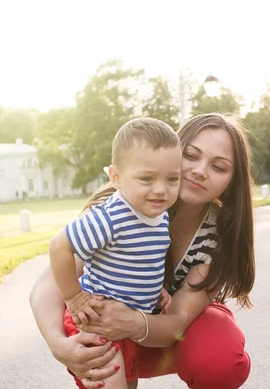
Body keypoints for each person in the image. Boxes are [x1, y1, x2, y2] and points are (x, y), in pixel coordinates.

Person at [30, 113, 255, 389]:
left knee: (219, 357)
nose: (200, 170)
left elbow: (179, 320)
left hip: (166, 336)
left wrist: (135, 321)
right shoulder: (121, 205)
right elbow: (48, 282)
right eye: (191, 156)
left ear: (232, 181)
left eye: (219, 167)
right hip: (105, 329)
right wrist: (59, 345)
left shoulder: (218, 236)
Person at [49, 118, 181, 388]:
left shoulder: (159, 215)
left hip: (123, 325)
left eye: (172, 179)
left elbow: (139, 261)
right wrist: (73, 298)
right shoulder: (110, 217)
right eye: (147, 178)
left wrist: (153, 289)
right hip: (96, 323)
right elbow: (59, 246)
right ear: (116, 177)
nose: (161, 189)